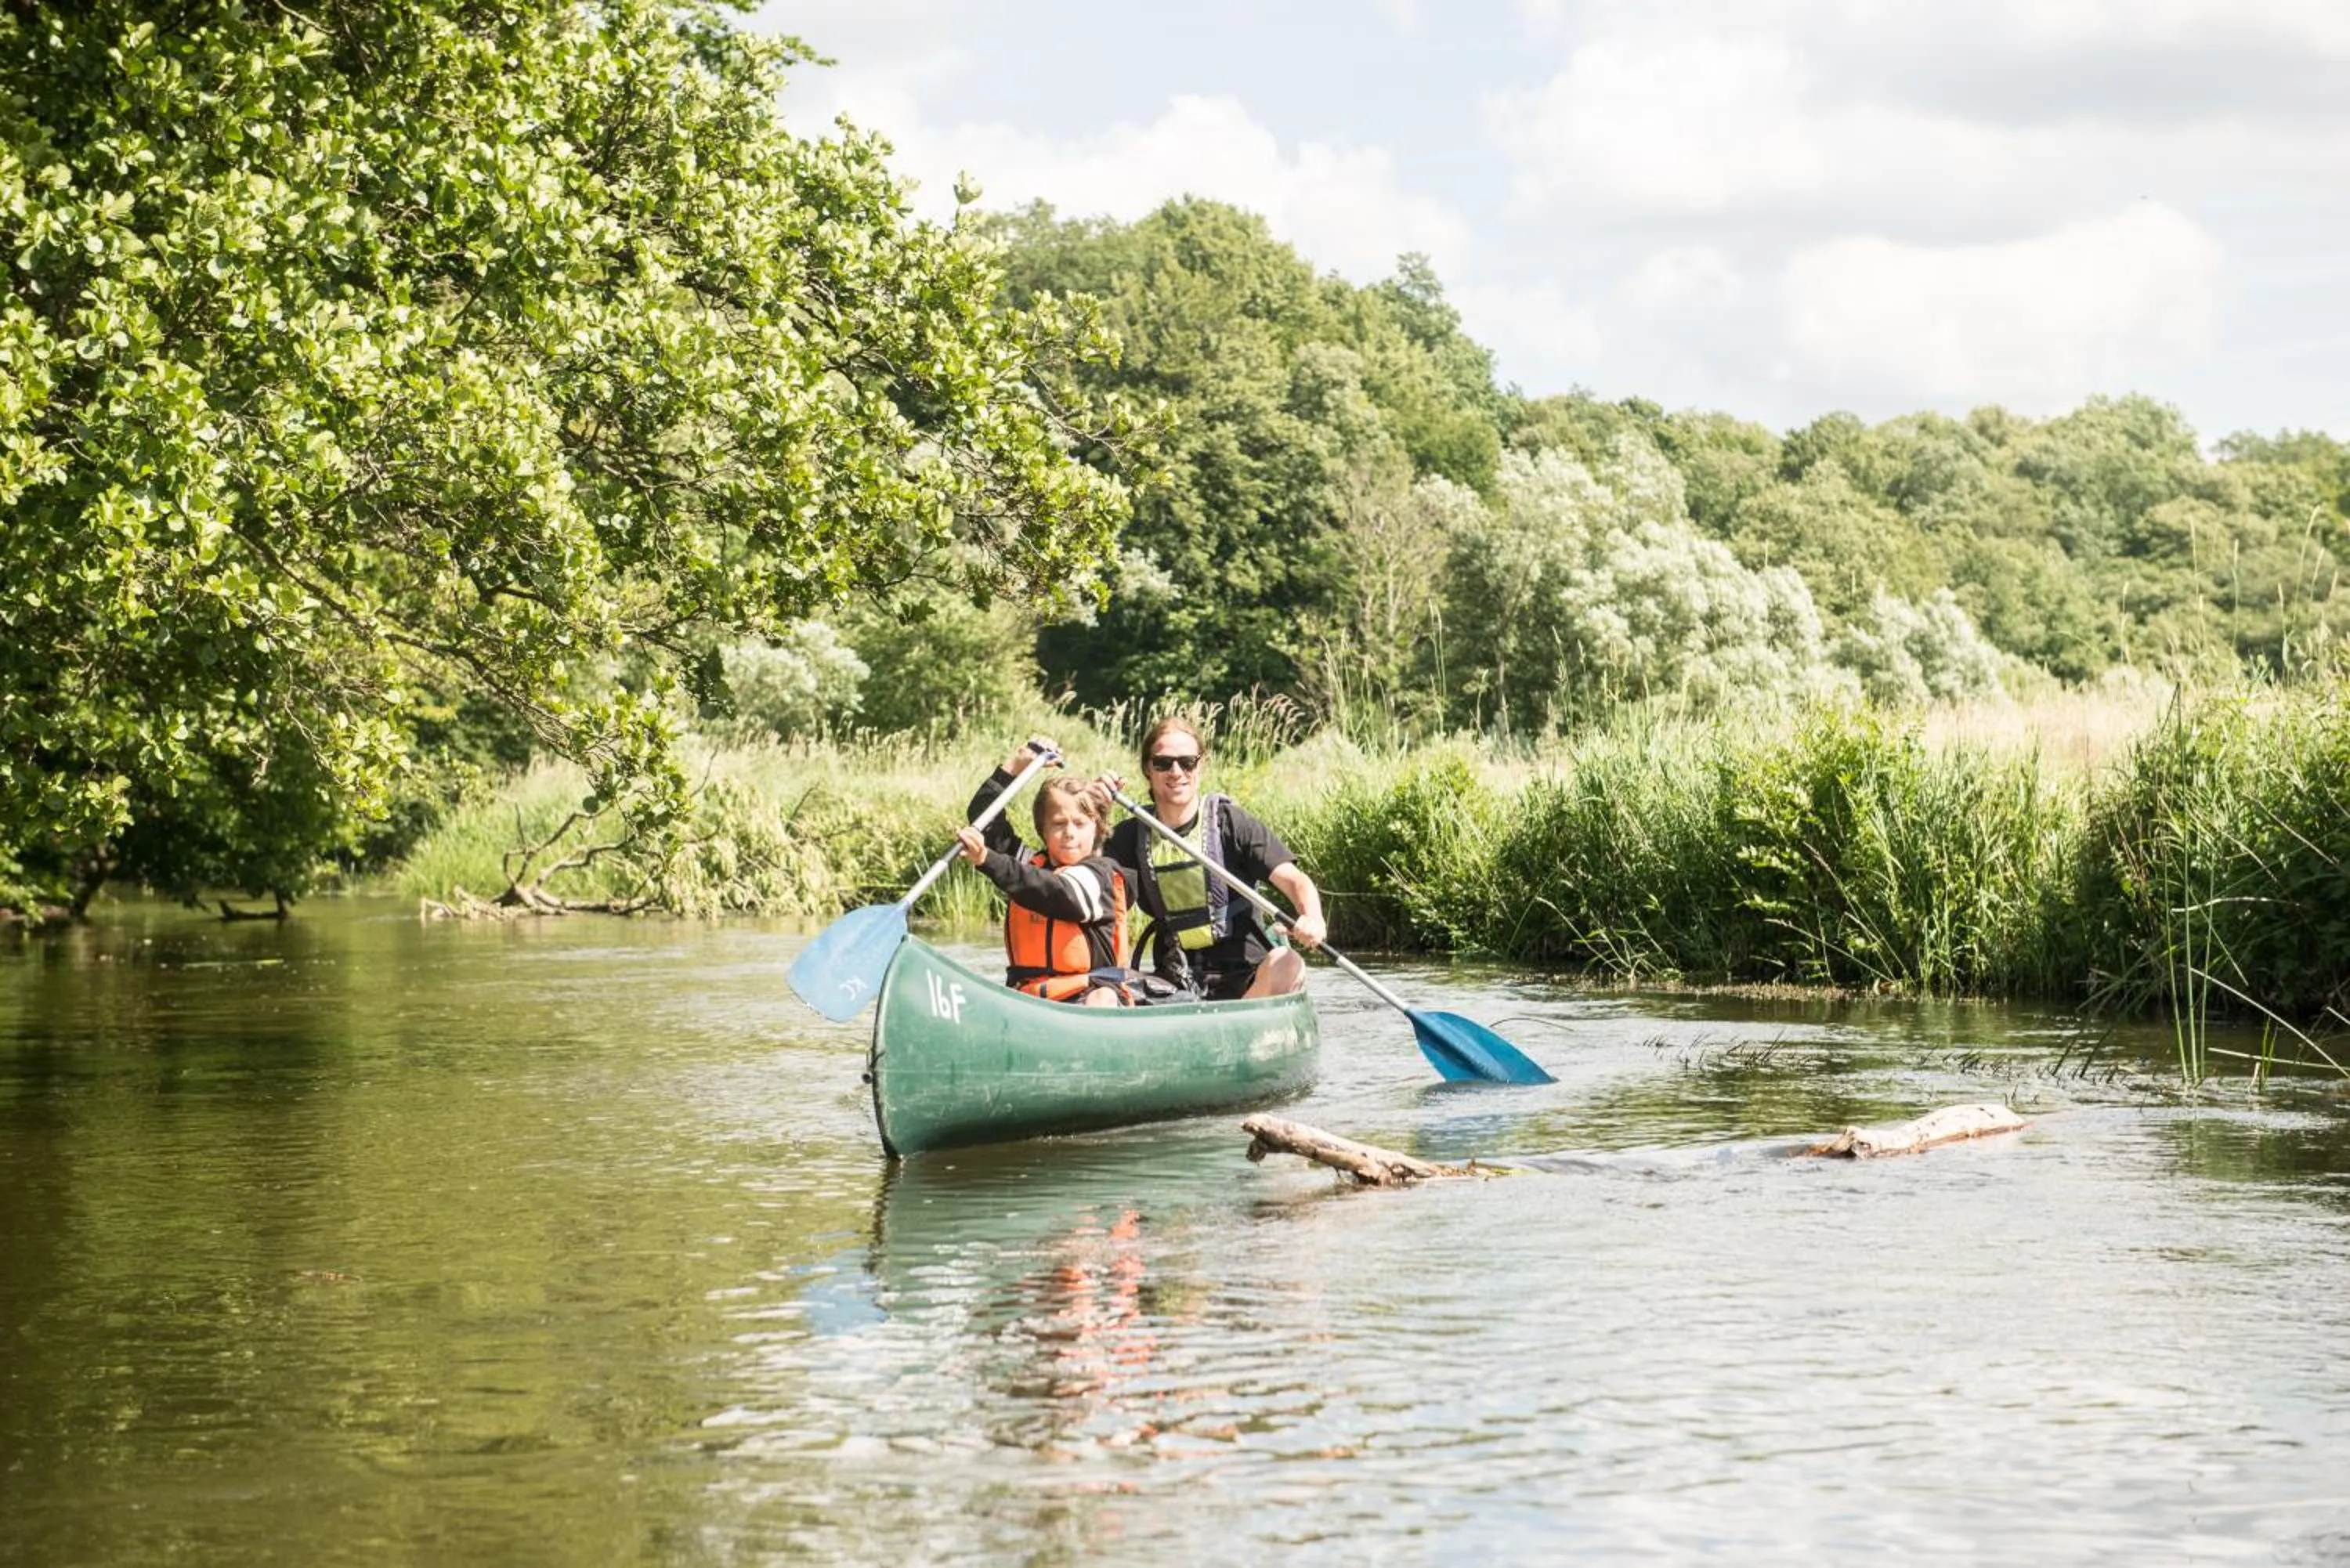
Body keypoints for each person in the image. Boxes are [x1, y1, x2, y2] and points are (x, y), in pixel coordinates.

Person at [1101, 716, 1327, 1001]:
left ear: (1200, 765)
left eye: (1187, 762)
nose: (1176, 771)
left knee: (1289, 964)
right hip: (1174, 981)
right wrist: (1097, 809)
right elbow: (1082, 880)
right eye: (1163, 763)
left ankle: (1246, 1030)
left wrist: (1313, 918)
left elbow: (1296, 881)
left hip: (1247, 978)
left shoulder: (1231, 823)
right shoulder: (1128, 836)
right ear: (1148, 768)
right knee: (1104, 985)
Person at [959, 738, 1130, 1006]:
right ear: (1043, 830)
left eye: (1080, 823)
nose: (1070, 833)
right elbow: (985, 819)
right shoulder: (1030, 864)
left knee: (1103, 997)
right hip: (1030, 998)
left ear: (1098, 829)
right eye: (1059, 824)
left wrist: (986, 859)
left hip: (1087, 995)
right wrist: (1015, 766)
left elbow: (1053, 891)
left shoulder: (1099, 876)